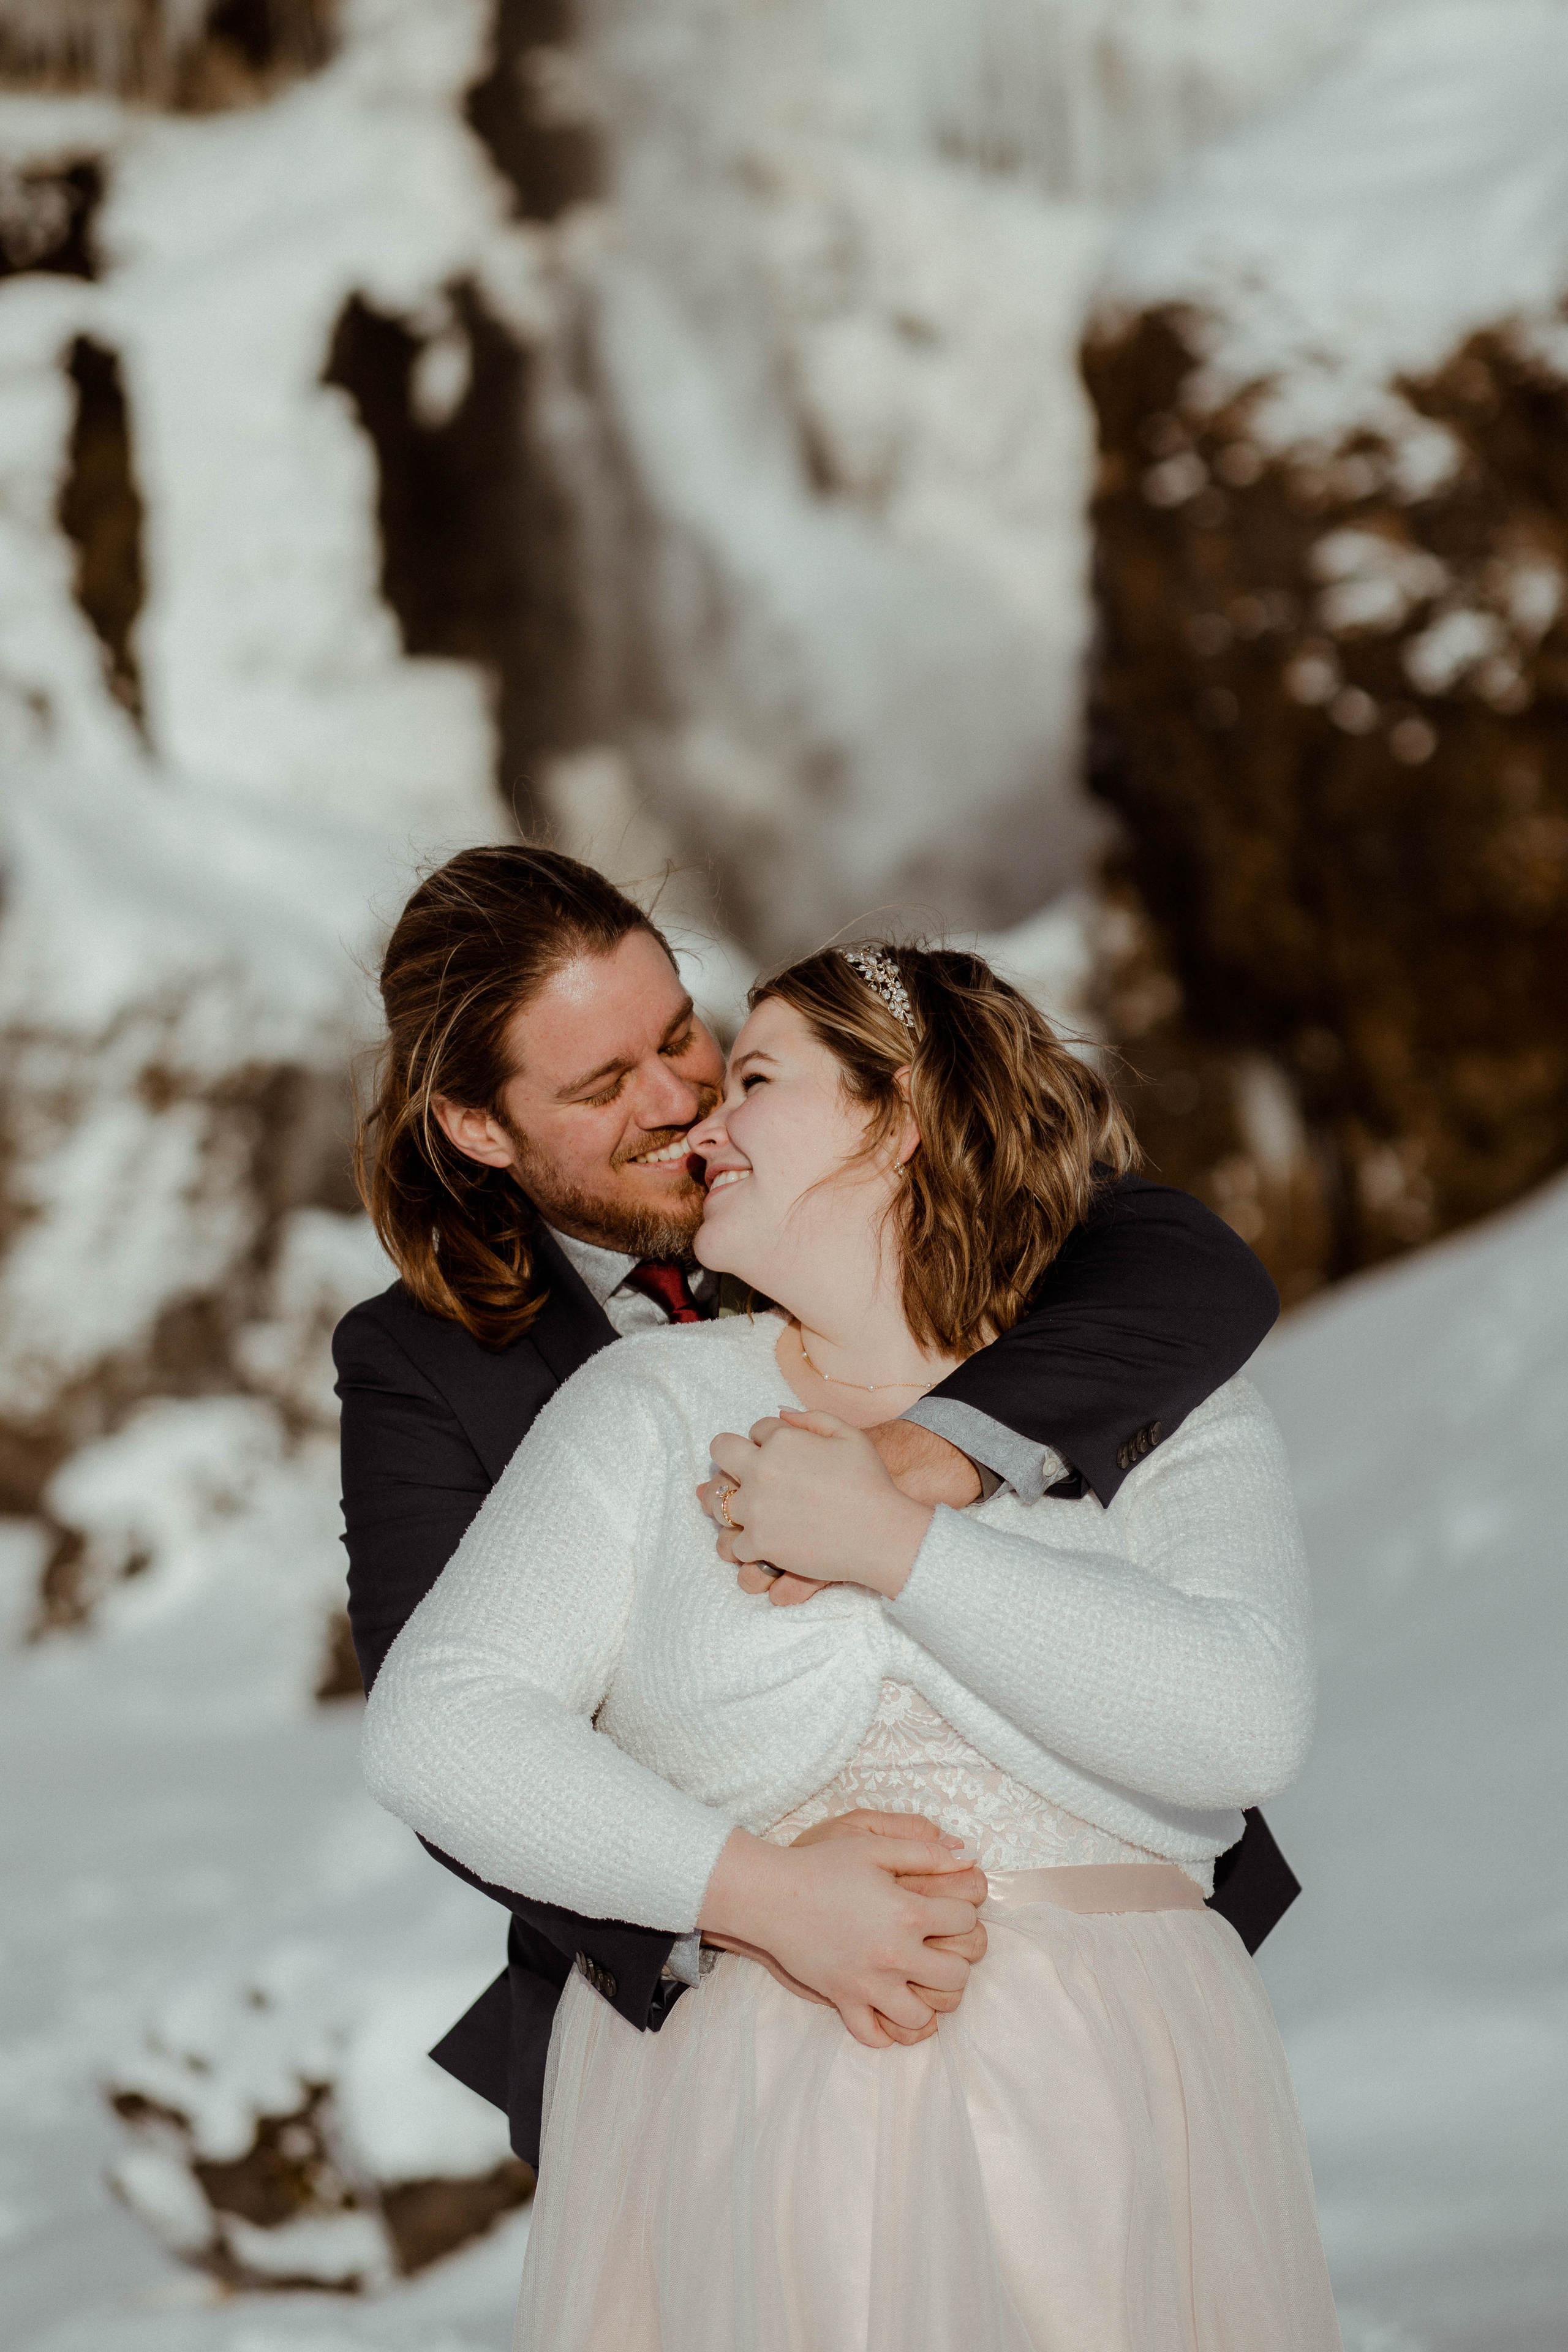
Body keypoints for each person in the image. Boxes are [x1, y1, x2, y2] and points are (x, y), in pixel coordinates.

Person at [360, 938, 1341, 2350]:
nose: (695, 1117)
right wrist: (754, 1893)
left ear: (897, 1120)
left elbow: (1244, 1723)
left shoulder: (1154, 1391)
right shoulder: (640, 1407)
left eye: (742, 1073)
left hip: (1110, 2123)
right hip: (753, 2139)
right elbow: (439, 1726)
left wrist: (897, 1540)